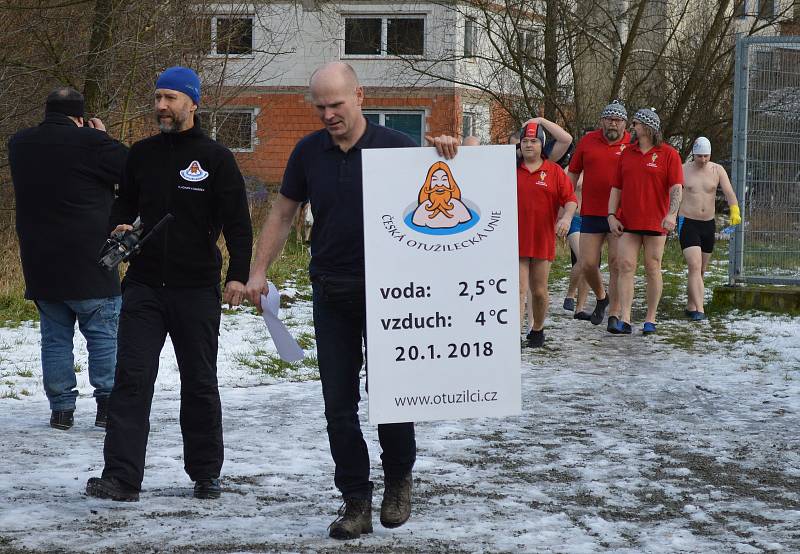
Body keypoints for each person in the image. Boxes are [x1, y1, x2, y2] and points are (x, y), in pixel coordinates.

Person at [244, 62, 459, 540]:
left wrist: (447, 155)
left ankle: (398, 480)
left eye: (336, 104)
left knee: (391, 395)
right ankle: (355, 499)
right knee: (338, 404)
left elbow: (444, 197)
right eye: (319, 106)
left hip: (390, 293)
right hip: (331, 290)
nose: (328, 114)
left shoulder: (397, 148)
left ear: (359, 95)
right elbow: (282, 214)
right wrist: (258, 272)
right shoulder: (307, 152)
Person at [85, 66, 253, 502]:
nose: (161, 105)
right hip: (143, 286)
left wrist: (238, 274)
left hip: (196, 288)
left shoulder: (216, 158)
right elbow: (123, 200)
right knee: (132, 379)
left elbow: (238, 222)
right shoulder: (141, 154)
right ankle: (121, 478)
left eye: (170, 98)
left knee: (199, 381)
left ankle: (205, 473)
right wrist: (116, 223)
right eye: (158, 97)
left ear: (192, 103)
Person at [9, 87, 128, 430]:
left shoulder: (20, 144)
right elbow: (130, 170)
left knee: (55, 337)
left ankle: (61, 410)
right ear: (80, 117)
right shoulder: (92, 143)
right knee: (103, 334)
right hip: (91, 260)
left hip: (41, 261)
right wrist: (101, 137)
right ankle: (107, 405)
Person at [607, 108, 683, 335]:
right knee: (625, 266)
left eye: (637, 124)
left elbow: (676, 187)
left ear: (648, 127)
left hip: (655, 222)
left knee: (652, 267)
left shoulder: (668, 154)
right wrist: (611, 215)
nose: (633, 127)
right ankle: (625, 318)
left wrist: (672, 214)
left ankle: (651, 318)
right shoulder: (627, 153)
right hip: (628, 220)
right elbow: (616, 187)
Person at [567, 101, 631, 330]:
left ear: (625, 123)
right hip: (592, 211)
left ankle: (614, 314)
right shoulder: (588, 141)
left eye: (618, 120)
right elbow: (573, 174)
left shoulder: (632, 143)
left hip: (620, 214)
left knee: (616, 263)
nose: (613, 123)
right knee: (587, 263)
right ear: (602, 121)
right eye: (610, 118)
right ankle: (602, 297)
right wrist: (567, 203)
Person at [517, 121, 577, 347]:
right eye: (525, 141)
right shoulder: (510, 167)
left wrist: (566, 218)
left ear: (542, 145)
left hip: (542, 238)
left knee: (539, 291)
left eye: (533, 141)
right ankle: (515, 335)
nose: (529, 145)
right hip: (516, 239)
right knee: (519, 289)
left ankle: (537, 329)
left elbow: (571, 200)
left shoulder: (553, 171)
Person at [678, 137, 740, 320]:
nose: (703, 160)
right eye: (699, 156)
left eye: (706, 156)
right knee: (694, 265)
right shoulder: (683, 169)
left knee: (701, 270)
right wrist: (670, 215)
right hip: (688, 222)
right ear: (693, 155)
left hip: (708, 224)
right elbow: (673, 193)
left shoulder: (717, 170)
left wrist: (734, 210)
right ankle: (700, 309)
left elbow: (729, 192)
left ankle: (691, 305)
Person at [563, 176, 591, 320]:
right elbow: (561, 195)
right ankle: (570, 294)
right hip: (574, 218)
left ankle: (580, 308)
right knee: (583, 257)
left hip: (592, 219)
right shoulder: (571, 171)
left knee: (590, 265)